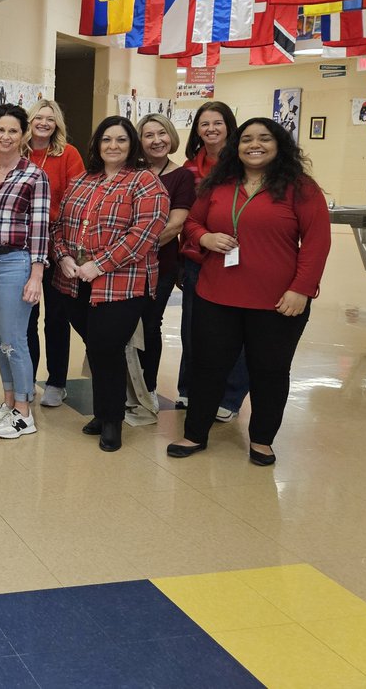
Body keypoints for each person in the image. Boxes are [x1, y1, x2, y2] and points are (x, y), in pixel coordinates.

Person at [167, 119, 330, 466]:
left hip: (277, 301)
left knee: (269, 370)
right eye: (247, 139)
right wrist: (205, 238)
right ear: (236, 147)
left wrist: (301, 289)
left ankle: (262, 440)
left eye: (264, 139)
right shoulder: (219, 184)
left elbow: (316, 242)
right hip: (216, 294)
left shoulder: (300, 188)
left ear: (279, 145)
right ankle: (195, 432)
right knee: (208, 366)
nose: (254, 145)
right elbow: (193, 222)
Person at [51, 116, 169, 452]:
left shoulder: (145, 183)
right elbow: (58, 227)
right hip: (74, 282)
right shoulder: (81, 181)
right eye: (106, 140)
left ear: (132, 144)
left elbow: (143, 235)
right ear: (97, 145)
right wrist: (63, 258)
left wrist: (98, 265)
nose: (113, 146)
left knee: (107, 347)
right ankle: (103, 412)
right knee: (97, 348)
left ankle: (113, 420)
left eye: (120, 140)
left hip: (122, 284)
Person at [0, 105, 50, 439]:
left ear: (23, 135)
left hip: (15, 262)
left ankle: (24, 411)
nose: (5, 136)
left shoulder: (34, 176)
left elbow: (40, 227)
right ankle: (6, 401)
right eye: (0, 130)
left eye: (13, 131)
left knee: (16, 340)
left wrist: (36, 274)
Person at [178, 100, 249, 419]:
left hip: (239, 260)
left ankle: (230, 398)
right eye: (204, 124)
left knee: (238, 332)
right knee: (194, 330)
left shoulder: (246, 164)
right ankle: (189, 390)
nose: (211, 129)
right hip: (197, 259)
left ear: (230, 126)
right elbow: (187, 218)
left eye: (217, 123)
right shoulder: (189, 168)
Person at [24, 99, 84, 408]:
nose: (44, 123)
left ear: (56, 124)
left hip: (58, 244)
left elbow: (76, 198)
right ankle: (27, 380)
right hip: (24, 247)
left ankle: (57, 382)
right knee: (27, 318)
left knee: (57, 318)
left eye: (50, 119)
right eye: (39, 118)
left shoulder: (67, 154)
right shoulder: (18, 153)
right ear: (30, 121)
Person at [136, 114, 195, 407]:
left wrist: (131, 249)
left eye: (161, 133)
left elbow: (175, 225)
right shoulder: (131, 171)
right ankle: (123, 383)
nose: (156, 140)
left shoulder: (182, 176)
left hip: (160, 264)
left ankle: (148, 387)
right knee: (122, 325)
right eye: (148, 135)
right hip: (123, 267)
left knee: (149, 324)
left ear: (171, 136)